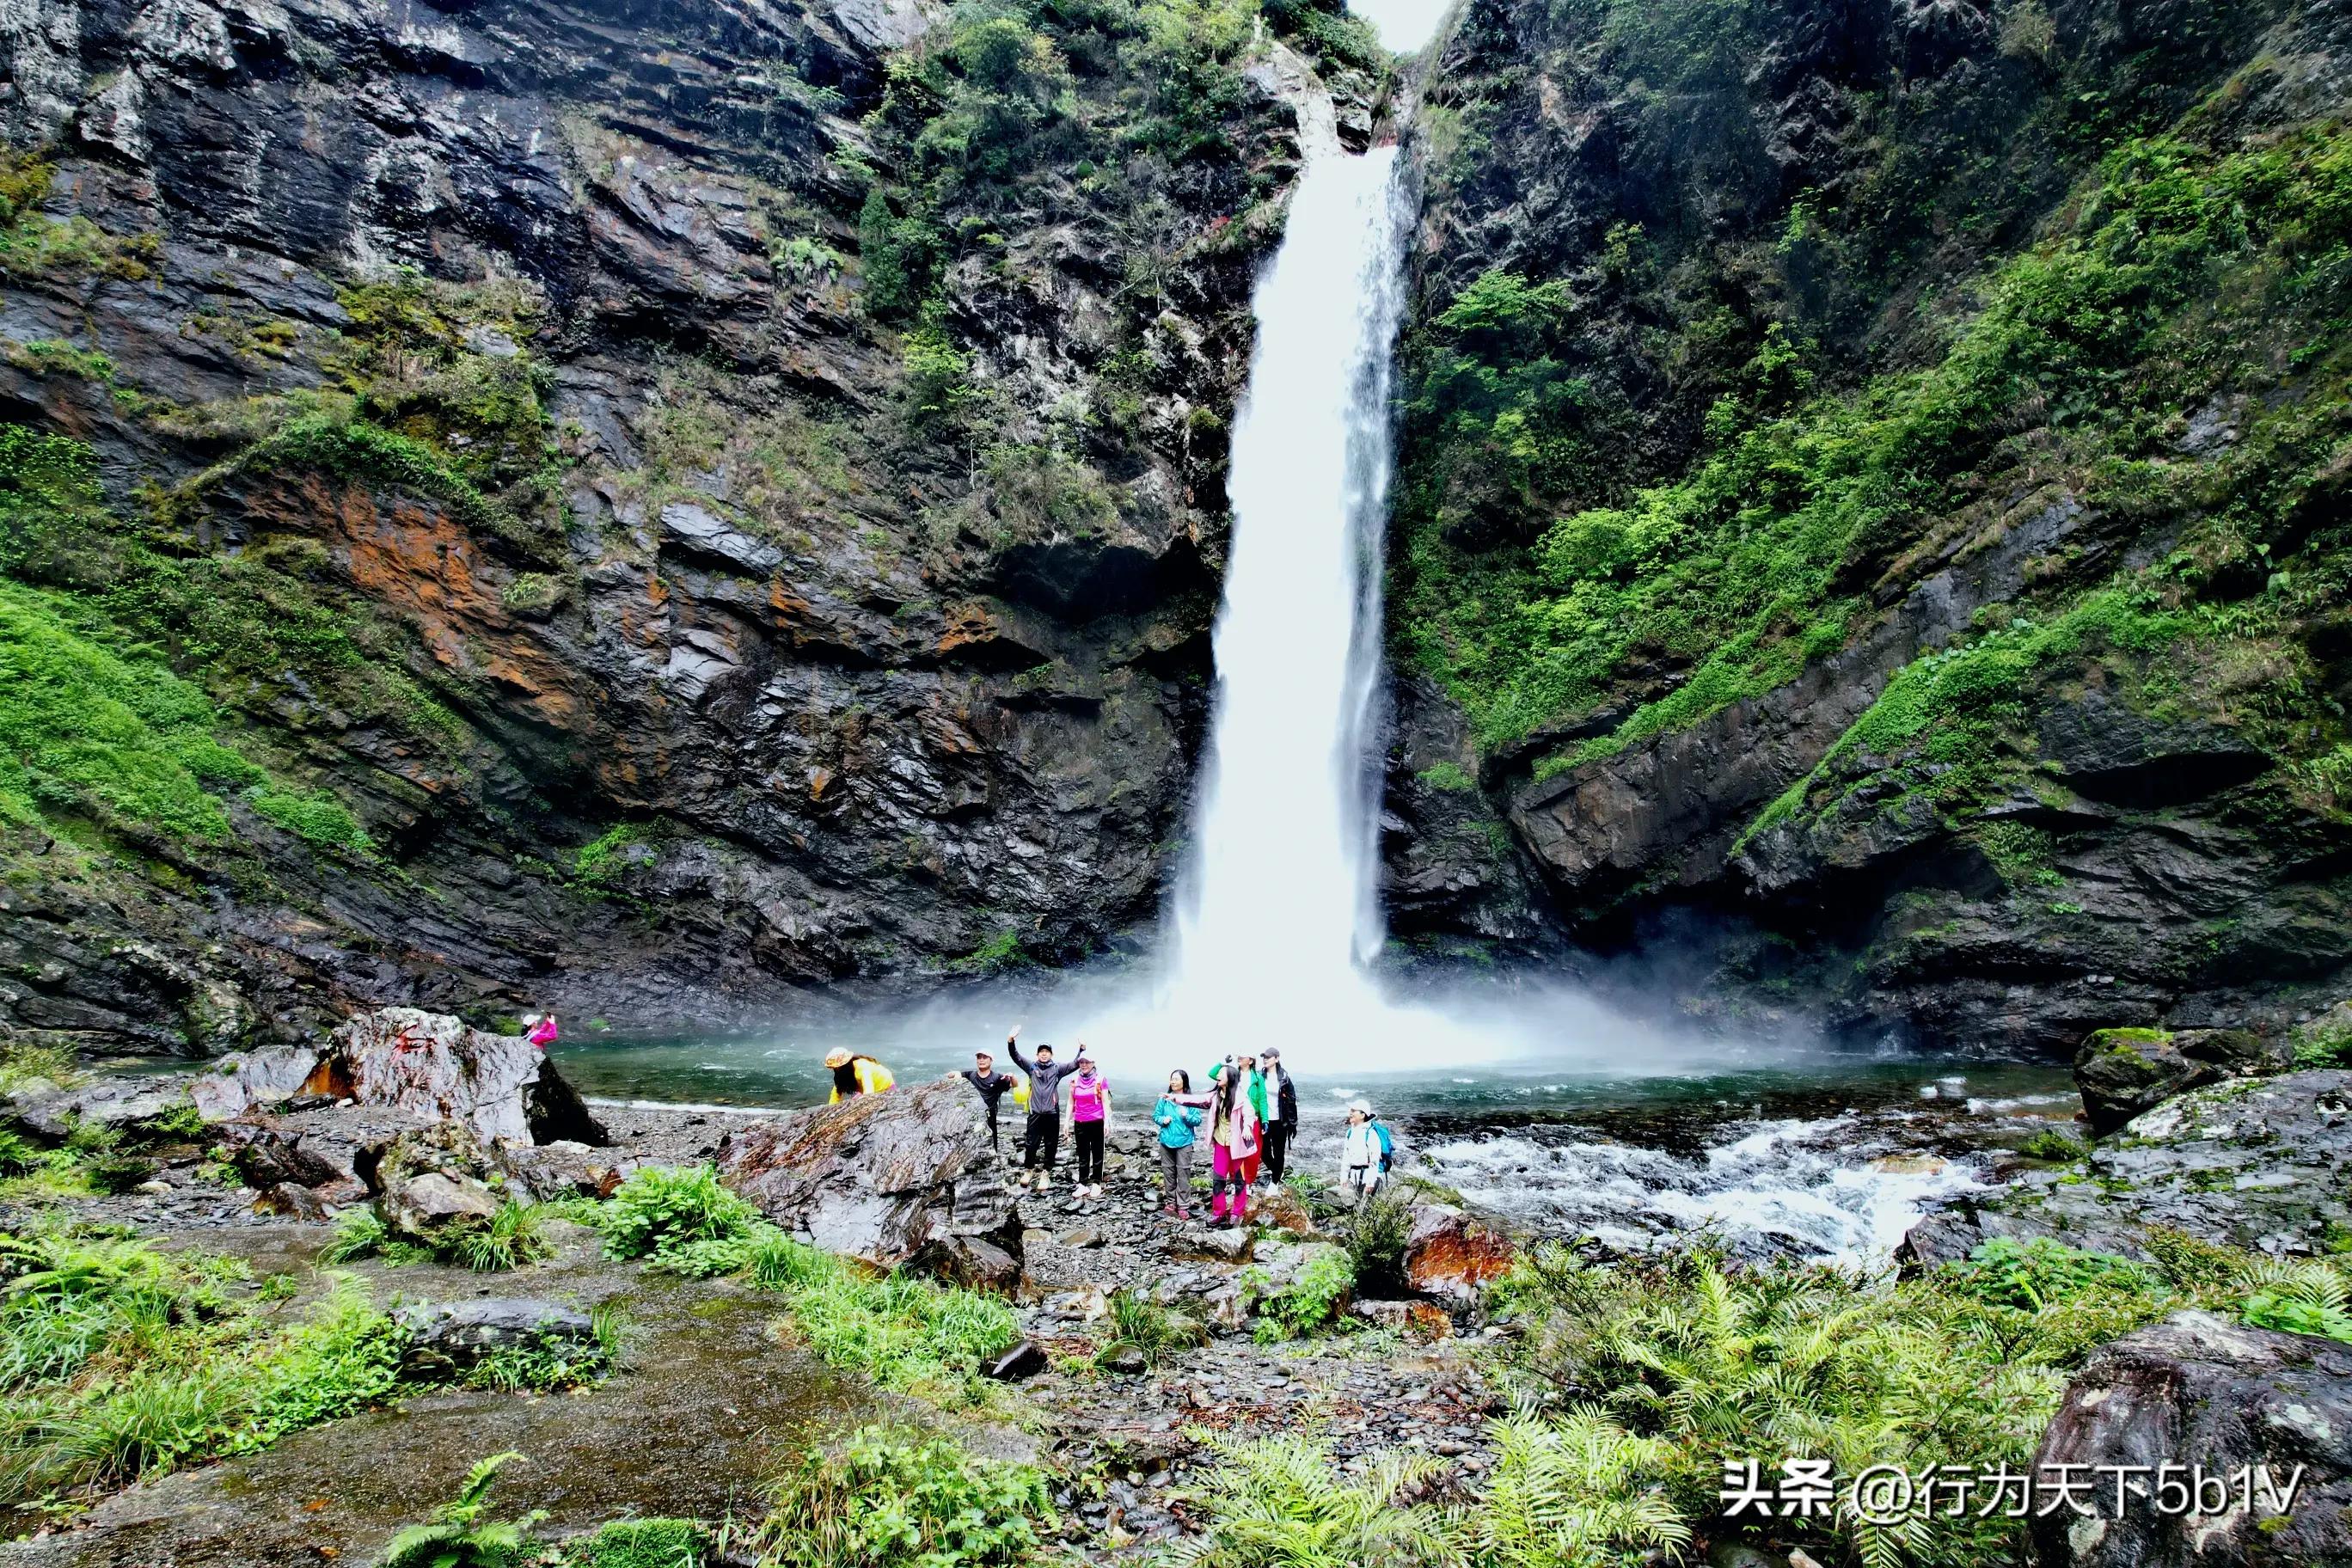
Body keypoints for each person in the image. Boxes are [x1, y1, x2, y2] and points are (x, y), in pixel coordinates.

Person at [1006, 1026, 1079, 1194]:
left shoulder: (1057, 1069)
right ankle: (1029, 1170)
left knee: (1051, 1143)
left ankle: (1046, 1172)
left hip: (1052, 1112)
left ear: (1051, 1055)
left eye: (1047, 1051)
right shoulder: (1031, 1067)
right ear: (1037, 1055)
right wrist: (1011, 1040)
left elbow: (1076, 1064)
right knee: (1031, 1143)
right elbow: (1015, 1056)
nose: (1044, 1054)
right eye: (1041, 1051)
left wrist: (1081, 1049)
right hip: (1035, 1112)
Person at [1207, 1056, 1263, 1228]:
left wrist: (1247, 1128)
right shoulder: (1215, 1096)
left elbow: (1250, 1113)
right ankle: (1218, 1212)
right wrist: (1175, 1098)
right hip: (1221, 1144)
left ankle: (1237, 1213)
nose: (1218, 1076)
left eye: (1222, 1074)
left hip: (1237, 1146)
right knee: (1218, 1179)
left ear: (1230, 1078)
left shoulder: (1240, 1097)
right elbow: (1196, 1099)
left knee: (1239, 1180)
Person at [1152, 1069, 1205, 1220]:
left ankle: (1183, 1206)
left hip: (1184, 1142)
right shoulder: (1164, 1099)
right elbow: (1156, 1116)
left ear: (1184, 1082)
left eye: (1176, 1079)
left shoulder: (1190, 1100)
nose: (1173, 1082)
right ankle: (1170, 1202)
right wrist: (1163, 1120)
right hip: (1166, 1141)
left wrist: (1186, 1115)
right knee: (1168, 1173)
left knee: (1183, 1174)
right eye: (1172, 1079)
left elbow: (1197, 1121)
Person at [1067, 1050, 1111, 1199]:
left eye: (1087, 1062)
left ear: (1093, 1063)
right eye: (1081, 1062)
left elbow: (1105, 1102)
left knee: (1098, 1153)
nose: (1084, 1065)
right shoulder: (1074, 1080)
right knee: (1083, 1154)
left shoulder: (1101, 1079)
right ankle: (1083, 1184)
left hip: (1096, 1121)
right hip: (1080, 1121)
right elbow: (1070, 1102)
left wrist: (1107, 1122)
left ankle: (1097, 1183)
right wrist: (1066, 1122)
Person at [962, 1044, 1020, 1150]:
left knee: (991, 1140)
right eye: (979, 1057)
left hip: (990, 1114)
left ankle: (994, 1157)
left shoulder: (998, 1078)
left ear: (991, 1060)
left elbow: (1014, 1085)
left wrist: (1012, 1076)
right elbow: (958, 1076)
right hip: (973, 1114)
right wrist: (952, 1074)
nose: (981, 1060)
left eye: (985, 1057)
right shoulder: (971, 1075)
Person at [1259, 1047, 1298, 1185]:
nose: (1265, 1059)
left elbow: (1291, 1101)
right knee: (1264, 1153)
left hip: (1280, 1122)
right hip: (1264, 1120)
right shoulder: (1259, 1076)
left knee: (1278, 1152)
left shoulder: (1284, 1078)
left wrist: (1293, 1124)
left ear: (1276, 1058)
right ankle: (1277, 1171)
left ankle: (1275, 1182)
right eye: (1263, 1057)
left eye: (1268, 1057)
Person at [1339, 1099, 1383, 1206]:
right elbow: (1346, 1157)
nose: (1350, 1113)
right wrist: (1344, 1178)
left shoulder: (1371, 1133)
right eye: (1351, 1110)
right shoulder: (1349, 1132)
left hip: (1368, 1176)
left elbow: (1374, 1159)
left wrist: (1370, 1182)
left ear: (1363, 1115)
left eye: (1354, 1111)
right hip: (1354, 1176)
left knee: (1366, 1209)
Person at [824, 1046, 895, 1103]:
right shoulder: (842, 1075)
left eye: (838, 1068)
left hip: (886, 1088)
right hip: (869, 1090)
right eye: (835, 1068)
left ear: (847, 1064)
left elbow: (869, 1093)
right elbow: (835, 1094)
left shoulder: (862, 1067)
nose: (837, 1070)